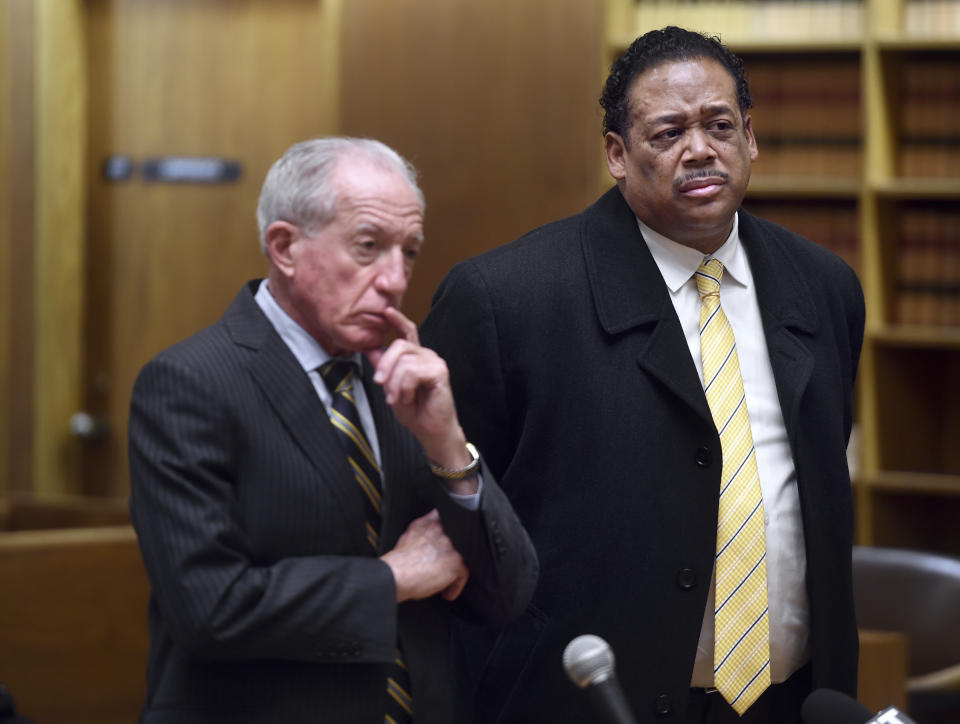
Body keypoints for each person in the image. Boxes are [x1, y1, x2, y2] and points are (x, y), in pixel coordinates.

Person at [421, 26, 864, 724]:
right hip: (593, 702)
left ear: (749, 137)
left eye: (719, 125)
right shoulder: (506, 300)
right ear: (616, 155)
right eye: (667, 133)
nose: (699, 150)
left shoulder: (825, 286)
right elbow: (442, 526)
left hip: (794, 700)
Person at [128, 137, 538, 724]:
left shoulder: (401, 375)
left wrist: (446, 443)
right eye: (369, 247)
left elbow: (511, 590)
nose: (395, 279)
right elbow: (209, 608)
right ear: (285, 247)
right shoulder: (188, 383)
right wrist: (391, 578)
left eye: (409, 252)